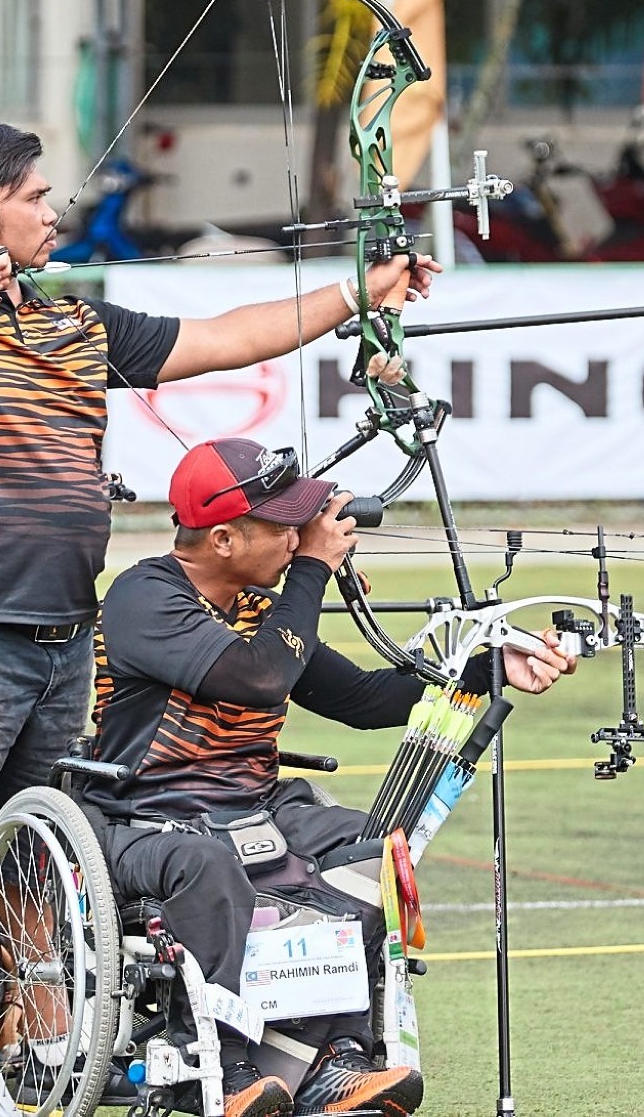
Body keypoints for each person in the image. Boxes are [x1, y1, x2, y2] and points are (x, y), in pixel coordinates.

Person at [0, 120, 440, 1117]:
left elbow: (226, 339)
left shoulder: (79, 326)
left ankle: (38, 1039)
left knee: (34, 843)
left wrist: (360, 291)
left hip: (61, 641)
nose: (54, 209)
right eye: (33, 196)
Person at [82, 438, 574, 1117]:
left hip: (253, 808)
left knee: (374, 848)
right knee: (206, 865)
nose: (298, 538)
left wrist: (489, 669)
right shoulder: (144, 595)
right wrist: (312, 570)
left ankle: (336, 1057)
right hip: (145, 820)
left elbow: (364, 701)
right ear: (223, 539)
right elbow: (257, 678)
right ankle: (219, 1067)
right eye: (283, 527)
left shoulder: (260, 609)